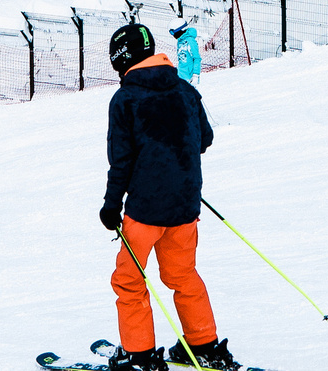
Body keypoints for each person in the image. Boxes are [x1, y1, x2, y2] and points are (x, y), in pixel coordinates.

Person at [100, 21, 236, 371]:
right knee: (182, 274)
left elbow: (122, 161)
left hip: (145, 210)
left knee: (129, 280)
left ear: (121, 60)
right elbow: (203, 138)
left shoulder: (125, 99)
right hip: (185, 204)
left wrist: (111, 206)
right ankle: (203, 343)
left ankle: (140, 355)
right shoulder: (184, 90)